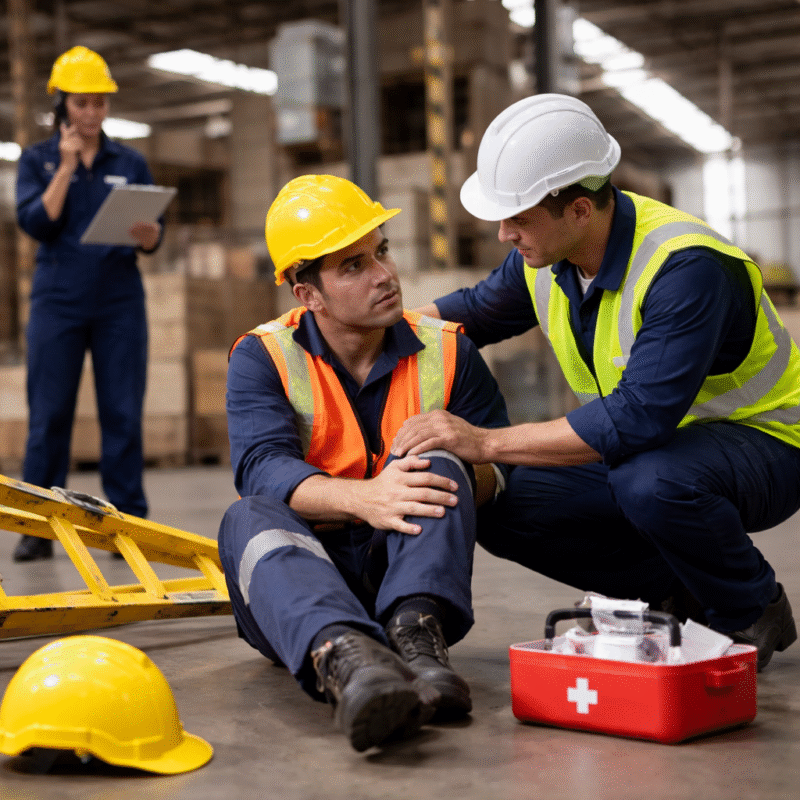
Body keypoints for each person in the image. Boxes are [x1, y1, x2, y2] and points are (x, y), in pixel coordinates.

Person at [394, 93, 800, 672]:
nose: (505, 233)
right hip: (656, 450)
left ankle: (751, 606)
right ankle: (674, 594)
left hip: (767, 445)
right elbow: (468, 316)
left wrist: (482, 441)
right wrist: (361, 329)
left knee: (649, 481)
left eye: (519, 217)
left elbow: (636, 420)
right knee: (498, 498)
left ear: (580, 210)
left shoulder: (686, 268)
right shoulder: (548, 258)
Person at [219, 174, 510, 751]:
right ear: (308, 295)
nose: (384, 274)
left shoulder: (450, 349)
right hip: (299, 585)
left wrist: (455, 464)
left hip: (403, 565)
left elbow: (502, 468)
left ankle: (416, 638)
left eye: (381, 250)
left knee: (444, 461)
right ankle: (347, 661)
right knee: (247, 516)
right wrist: (365, 496)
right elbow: (261, 465)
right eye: (352, 266)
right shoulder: (263, 356)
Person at [13, 46, 162, 561]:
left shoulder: (130, 160)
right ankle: (38, 528)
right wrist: (66, 165)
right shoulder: (36, 159)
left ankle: (125, 527)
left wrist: (149, 235)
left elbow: (151, 234)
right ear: (62, 106)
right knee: (49, 417)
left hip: (119, 300)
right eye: (82, 103)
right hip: (58, 300)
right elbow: (35, 222)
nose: (92, 114)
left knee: (122, 414)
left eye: (99, 103)